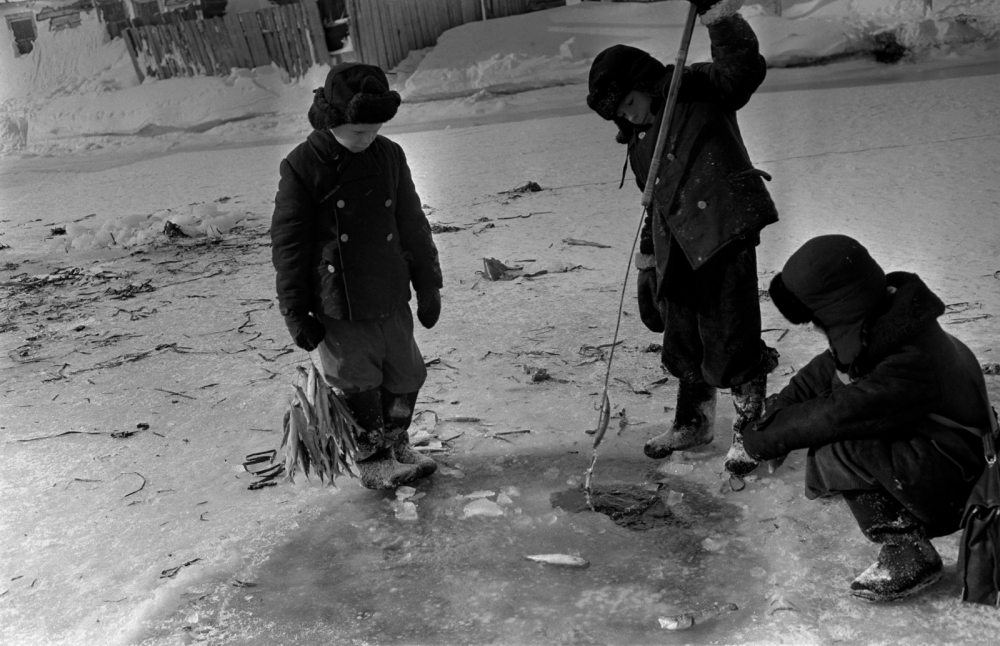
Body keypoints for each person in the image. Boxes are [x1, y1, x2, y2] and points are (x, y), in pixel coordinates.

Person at [586, 0, 779, 476]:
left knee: (732, 335)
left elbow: (742, 71)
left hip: (721, 232)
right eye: (621, 114)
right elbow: (651, 209)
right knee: (685, 338)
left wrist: (720, 17)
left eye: (631, 103)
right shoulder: (638, 143)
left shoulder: (696, 89)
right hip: (678, 247)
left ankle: (751, 433)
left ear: (646, 85)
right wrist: (649, 260)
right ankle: (693, 421)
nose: (630, 118)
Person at [743, 234, 991, 602]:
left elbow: (840, 413)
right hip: (950, 455)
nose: (816, 328)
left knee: (839, 445)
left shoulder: (908, 362)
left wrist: (759, 442)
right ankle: (871, 491)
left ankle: (909, 552)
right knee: (832, 426)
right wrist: (772, 416)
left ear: (840, 308)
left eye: (817, 318)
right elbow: (825, 369)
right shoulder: (892, 322)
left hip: (966, 488)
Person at [270, 63, 443, 490]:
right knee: (357, 380)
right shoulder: (302, 166)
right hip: (340, 301)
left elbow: (412, 222)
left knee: (407, 372)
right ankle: (372, 455)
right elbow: (289, 244)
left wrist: (428, 282)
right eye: (358, 132)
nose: (367, 139)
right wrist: (294, 308)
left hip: (389, 288)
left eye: (374, 130)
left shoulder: (389, 155)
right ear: (333, 120)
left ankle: (397, 441)